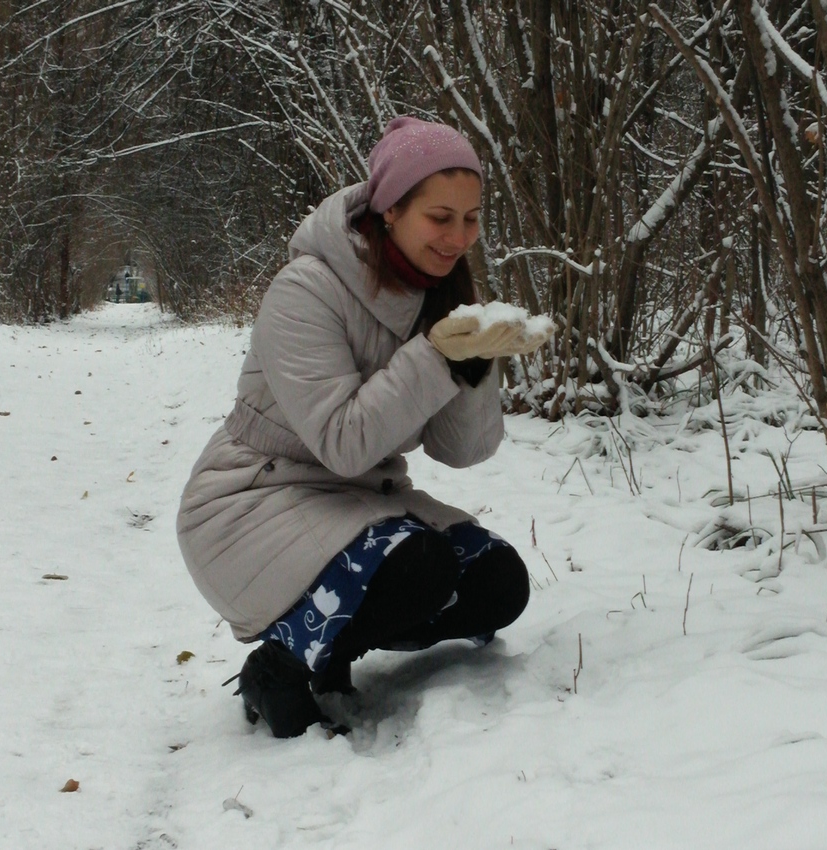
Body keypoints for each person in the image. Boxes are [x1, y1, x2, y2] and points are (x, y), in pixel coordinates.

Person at [176, 116, 553, 738]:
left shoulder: (436, 292)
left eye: (472, 217)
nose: (459, 237)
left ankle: (333, 646)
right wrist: (436, 357)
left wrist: (477, 362)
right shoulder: (305, 290)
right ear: (389, 211)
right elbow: (344, 443)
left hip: (360, 503)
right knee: (421, 566)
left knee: (498, 584)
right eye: (440, 217)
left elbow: (464, 450)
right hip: (253, 501)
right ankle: (282, 663)